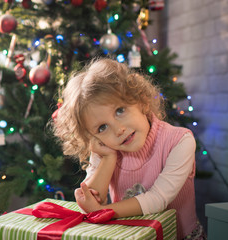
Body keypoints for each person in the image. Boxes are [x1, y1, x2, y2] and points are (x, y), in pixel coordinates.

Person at [52, 58, 206, 239]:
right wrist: (108, 159)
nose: (118, 130)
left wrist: (102, 211)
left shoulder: (179, 141)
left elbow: (158, 200)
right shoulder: (106, 148)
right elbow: (92, 199)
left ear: (140, 101)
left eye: (120, 110)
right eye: (102, 127)